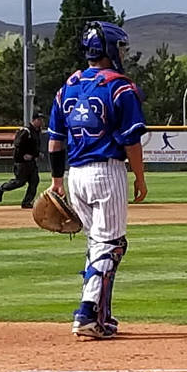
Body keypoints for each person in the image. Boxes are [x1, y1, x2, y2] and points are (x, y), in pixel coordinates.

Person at [47, 21, 147, 339]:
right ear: (107, 50)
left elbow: (55, 139)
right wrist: (140, 178)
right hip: (106, 171)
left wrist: (56, 179)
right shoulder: (120, 86)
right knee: (111, 245)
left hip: (75, 175)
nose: (122, 53)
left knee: (97, 244)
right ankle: (88, 314)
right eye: (119, 47)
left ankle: (101, 314)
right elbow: (131, 141)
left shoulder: (68, 86)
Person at [0, 113, 43, 208]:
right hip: (22, 163)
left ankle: (26, 202)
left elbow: (34, 147)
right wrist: (22, 156)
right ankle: (1, 188)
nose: (42, 122)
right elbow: (17, 144)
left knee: (34, 181)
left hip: (32, 162)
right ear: (35, 120)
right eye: (40, 120)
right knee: (20, 182)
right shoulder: (26, 131)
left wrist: (37, 154)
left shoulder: (36, 132)